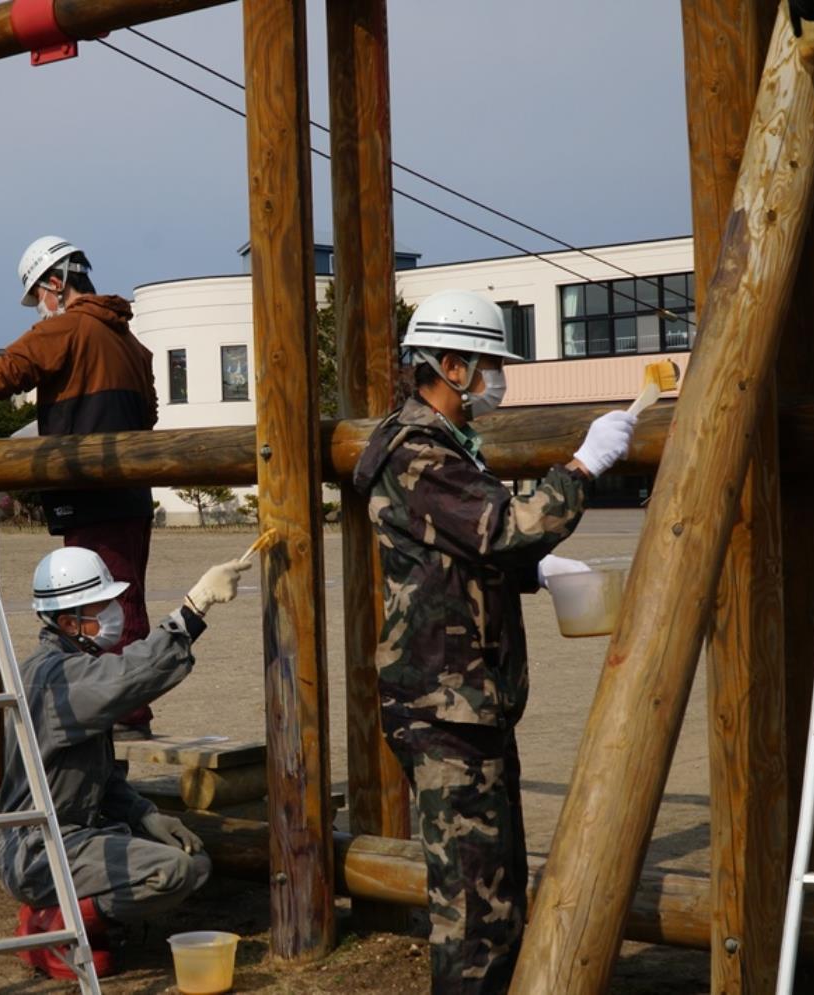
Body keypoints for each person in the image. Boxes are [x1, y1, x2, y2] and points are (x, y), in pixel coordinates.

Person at [350, 290, 635, 994]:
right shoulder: (418, 450)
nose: (494, 380)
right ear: (450, 365)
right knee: (474, 914)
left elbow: (465, 549)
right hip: (444, 705)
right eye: (487, 366)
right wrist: (585, 465)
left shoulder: (443, 445)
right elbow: (505, 525)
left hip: (466, 699)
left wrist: (533, 573)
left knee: (497, 897)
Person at [0, 545, 251, 980]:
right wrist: (193, 609)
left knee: (194, 862)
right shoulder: (57, 678)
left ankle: (63, 915)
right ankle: (55, 928)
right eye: (102, 606)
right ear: (69, 621)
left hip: (72, 837)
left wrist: (145, 814)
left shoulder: (73, 666)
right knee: (171, 872)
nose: (114, 613)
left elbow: (97, 778)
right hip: (38, 849)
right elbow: (128, 677)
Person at [0, 237, 161, 738]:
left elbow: (12, 368)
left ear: (56, 281)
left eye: (39, 297)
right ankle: (127, 709)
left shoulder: (70, 326)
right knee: (126, 600)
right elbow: (151, 415)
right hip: (133, 494)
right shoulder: (130, 343)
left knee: (100, 605)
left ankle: (122, 714)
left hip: (91, 492)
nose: (41, 309)